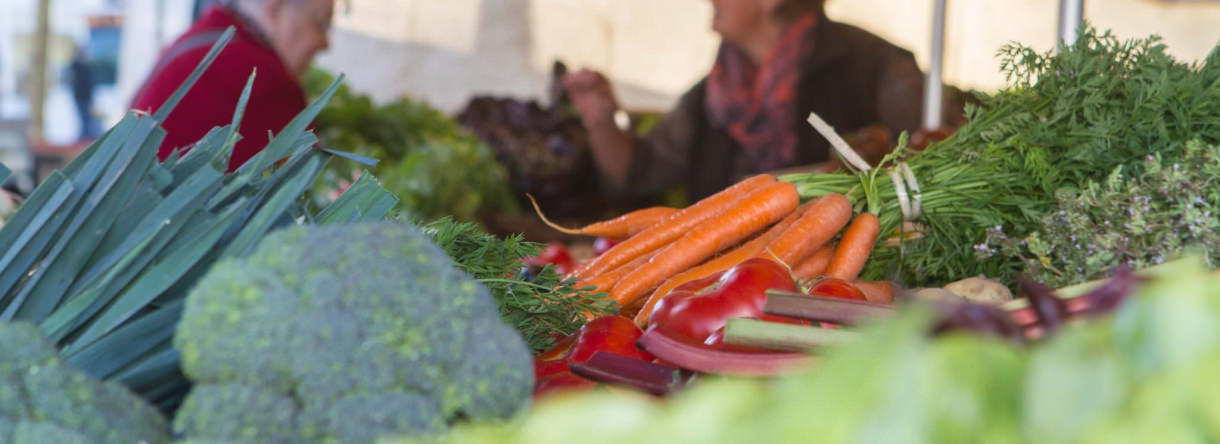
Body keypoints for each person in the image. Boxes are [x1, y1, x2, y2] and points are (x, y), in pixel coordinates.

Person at [564, 0, 967, 202]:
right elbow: (635, 176)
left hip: (843, 283)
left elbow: (947, 151)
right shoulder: (714, 91)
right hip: (726, 278)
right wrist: (599, 116)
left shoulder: (876, 66)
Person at [131, 0, 333, 171]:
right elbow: (306, 175)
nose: (325, 43)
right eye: (321, 25)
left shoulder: (213, 32)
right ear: (275, 8)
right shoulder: (259, 74)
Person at [68, 46, 96, 141]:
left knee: (87, 118)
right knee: (84, 117)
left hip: (86, 96)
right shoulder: (76, 66)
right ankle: (84, 137)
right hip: (80, 96)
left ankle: (85, 136)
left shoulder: (85, 67)